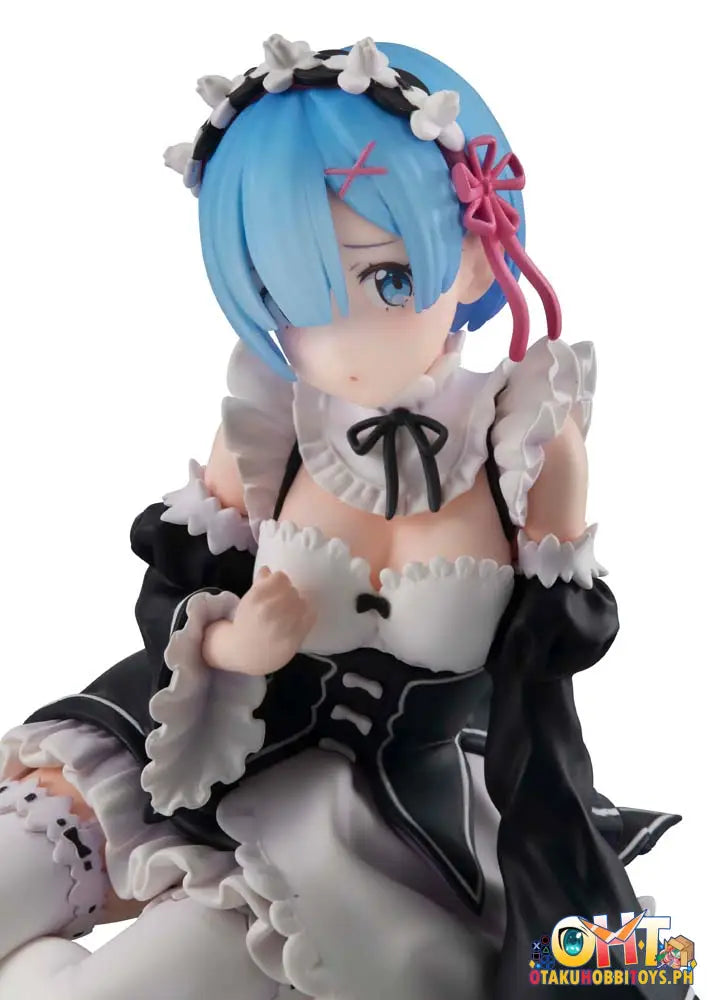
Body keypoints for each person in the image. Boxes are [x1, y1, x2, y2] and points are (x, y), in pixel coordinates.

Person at [0, 35, 693, 1000]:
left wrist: (573, 901)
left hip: (378, 827)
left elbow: (544, 694)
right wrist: (231, 644)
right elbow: (174, 595)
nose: (341, 344)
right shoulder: (267, 421)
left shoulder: (528, 443)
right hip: (195, 743)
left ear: (475, 255)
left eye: (387, 278)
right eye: (292, 294)